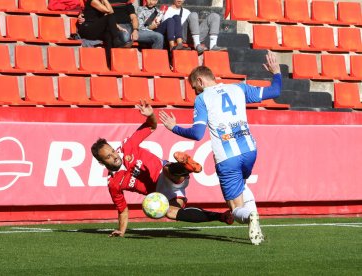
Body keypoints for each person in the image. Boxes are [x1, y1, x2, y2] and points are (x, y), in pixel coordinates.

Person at [159, 51, 282, 245]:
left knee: (235, 208)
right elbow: (275, 92)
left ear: (200, 81)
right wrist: (276, 72)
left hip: (227, 156)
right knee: (242, 183)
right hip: (250, 150)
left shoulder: (202, 99)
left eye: (194, 88)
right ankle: (255, 225)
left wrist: (173, 128)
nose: (195, 92)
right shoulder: (239, 88)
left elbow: (197, 134)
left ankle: (250, 215)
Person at [91, 100, 234, 237]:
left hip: (166, 173)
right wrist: (121, 231)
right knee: (170, 212)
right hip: (163, 194)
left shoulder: (127, 146)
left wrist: (150, 115)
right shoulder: (113, 183)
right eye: (108, 157)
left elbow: (151, 126)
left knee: (166, 170)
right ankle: (222, 216)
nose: (114, 156)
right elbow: (122, 210)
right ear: (101, 162)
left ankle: (186, 167)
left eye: (112, 152)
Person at [76, 0, 126, 67]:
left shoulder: (101, 2)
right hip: (87, 29)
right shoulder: (93, 1)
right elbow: (109, 12)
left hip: (95, 28)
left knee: (108, 35)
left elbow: (111, 11)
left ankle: (110, 63)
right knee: (109, 17)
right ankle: (116, 40)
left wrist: (118, 27)